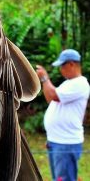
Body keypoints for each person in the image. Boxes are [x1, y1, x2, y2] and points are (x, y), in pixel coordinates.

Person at [36, 49, 90, 181]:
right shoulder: (69, 83)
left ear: (71, 64)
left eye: (62, 65)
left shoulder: (80, 83)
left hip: (66, 142)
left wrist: (44, 78)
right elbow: (50, 98)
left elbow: (53, 95)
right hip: (57, 141)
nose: (60, 70)